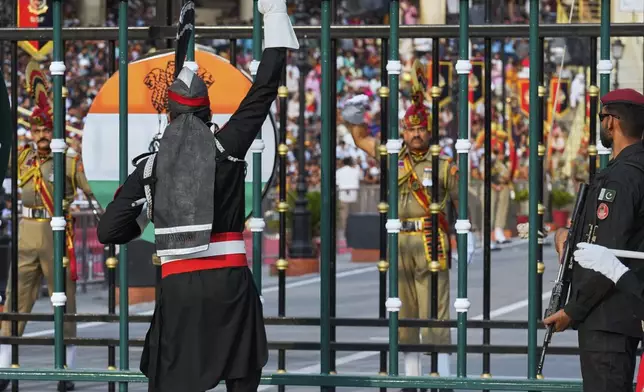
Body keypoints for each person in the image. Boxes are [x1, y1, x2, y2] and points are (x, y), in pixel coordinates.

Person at [96, 1, 298, 391]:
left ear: (168, 115)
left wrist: (147, 212)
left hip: (180, 293)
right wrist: (273, 15)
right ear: (208, 114)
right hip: (230, 286)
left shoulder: (150, 168)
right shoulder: (228, 146)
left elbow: (109, 231)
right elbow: (265, 87)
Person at [341, 64, 474, 390]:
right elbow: (359, 139)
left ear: (429, 131)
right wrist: (355, 110)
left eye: (421, 129)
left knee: (436, 313)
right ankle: (410, 377)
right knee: (404, 313)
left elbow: (463, 203)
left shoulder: (442, 163)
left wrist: (469, 238)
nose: (416, 134)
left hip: (431, 241)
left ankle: (442, 376)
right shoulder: (391, 155)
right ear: (403, 128)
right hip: (399, 241)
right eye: (411, 128)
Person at [0, 61, 95, 392]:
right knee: (14, 302)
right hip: (26, 234)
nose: (40, 136)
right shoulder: (22, 159)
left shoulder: (68, 161)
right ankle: (4, 368)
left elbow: (94, 191)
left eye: (45, 130)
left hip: (58, 240)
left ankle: (67, 371)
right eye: (36, 130)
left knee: (65, 305)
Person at [544, 88, 644, 392]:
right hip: (620, 313)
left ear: (611, 122)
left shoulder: (622, 177)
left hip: (606, 316)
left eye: (603, 118)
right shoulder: (629, 170)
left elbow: (607, 254)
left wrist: (573, 310)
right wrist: (565, 235)